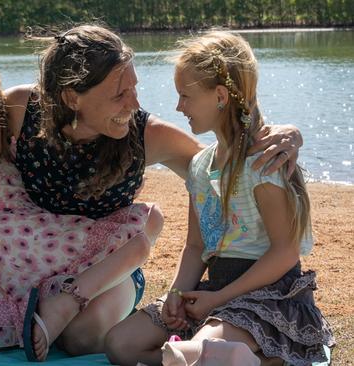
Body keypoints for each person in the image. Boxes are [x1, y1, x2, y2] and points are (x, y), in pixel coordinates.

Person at [0, 25, 304, 362]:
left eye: (134, 88)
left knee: (81, 339)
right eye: (119, 94)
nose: (134, 104)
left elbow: (223, 167)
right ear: (72, 98)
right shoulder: (20, 109)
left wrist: (286, 133)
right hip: (27, 264)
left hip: (107, 270)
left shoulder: (147, 136)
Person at [104, 31, 334, 366]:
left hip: (267, 294)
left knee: (200, 352)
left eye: (185, 96)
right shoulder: (199, 165)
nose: (178, 106)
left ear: (221, 96)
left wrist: (219, 299)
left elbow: (285, 252)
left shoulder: (263, 163)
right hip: (214, 289)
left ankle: (252, 356)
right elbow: (196, 247)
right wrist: (177, 294)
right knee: (120, 345)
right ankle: (231, 357)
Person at [0, 59, 163, 350]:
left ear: (2, 132)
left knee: (121, 234)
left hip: (35, 236)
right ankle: (44, 316)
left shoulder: (8, 150)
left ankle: (130, 257)